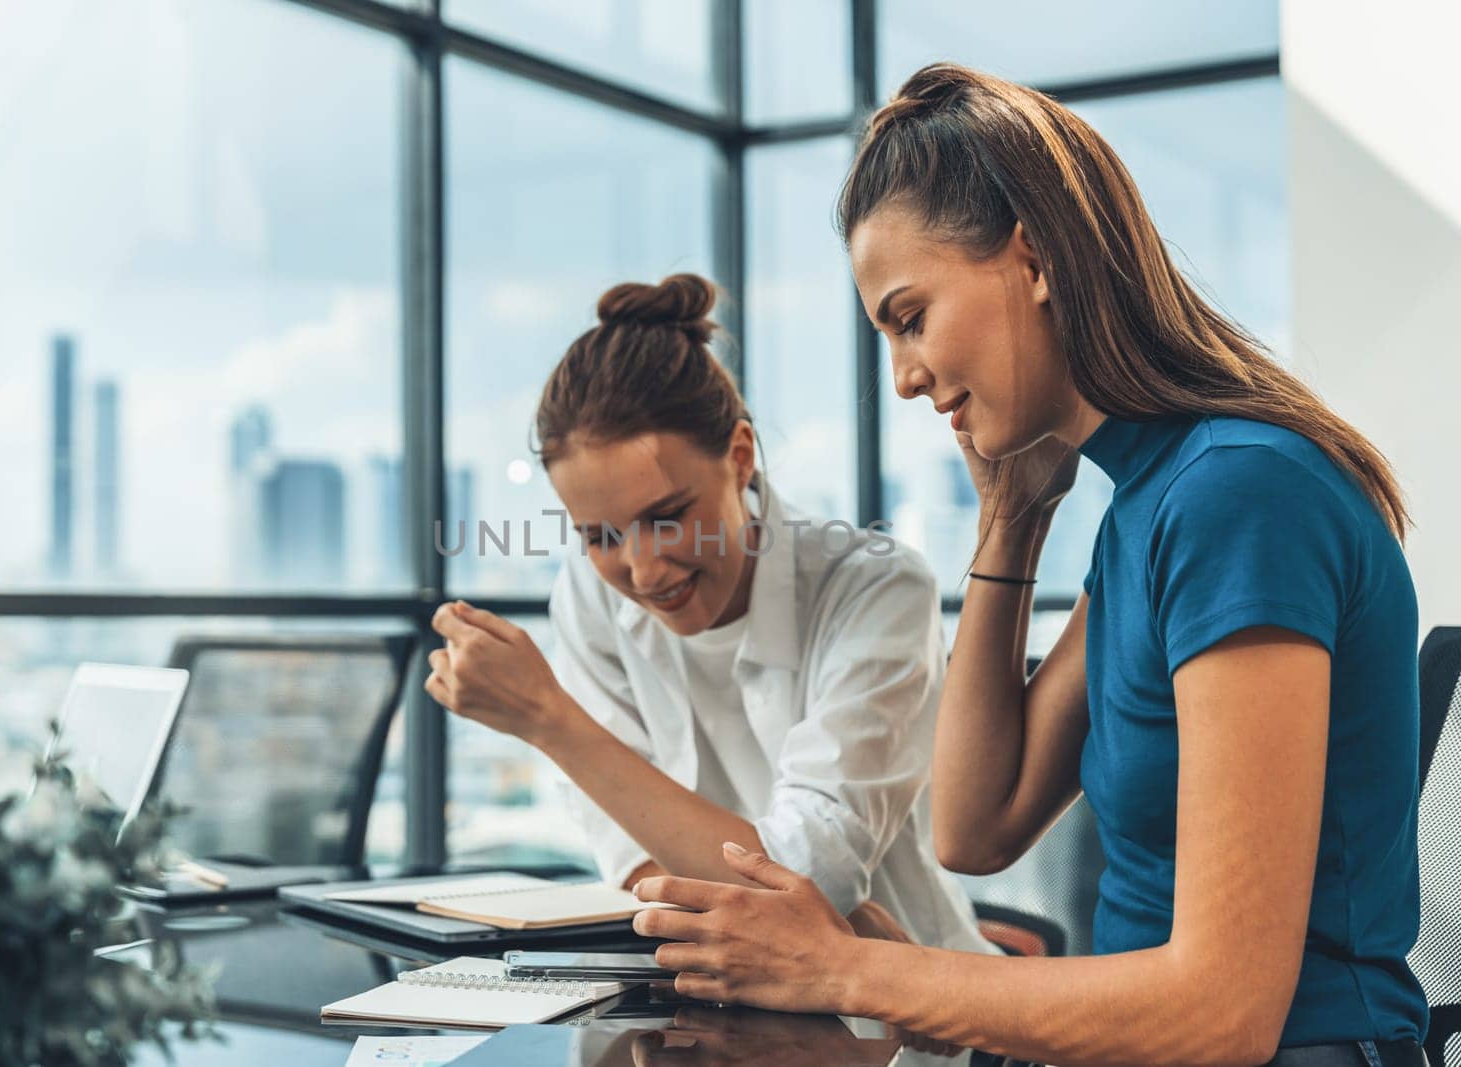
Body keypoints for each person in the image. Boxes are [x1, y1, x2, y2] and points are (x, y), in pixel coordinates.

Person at [628, 64, 1430, 1067]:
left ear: (1035, 255)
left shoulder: (1238, 495)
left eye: (909, 316)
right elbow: (976, 823)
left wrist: (840, 968)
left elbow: (1225, 1009)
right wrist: (1009, 521)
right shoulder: (1152, 505)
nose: (905, 376)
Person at [423, 273, 992, 957]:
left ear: (741, 457)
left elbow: (810, 880)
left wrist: (549, 719)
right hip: (711, 995)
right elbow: (629, 853)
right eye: (599, 534)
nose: (643, 570)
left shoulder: (875, 589)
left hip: (907, 1020)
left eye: (666, 517)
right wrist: (799, 909)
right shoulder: (589, 589)